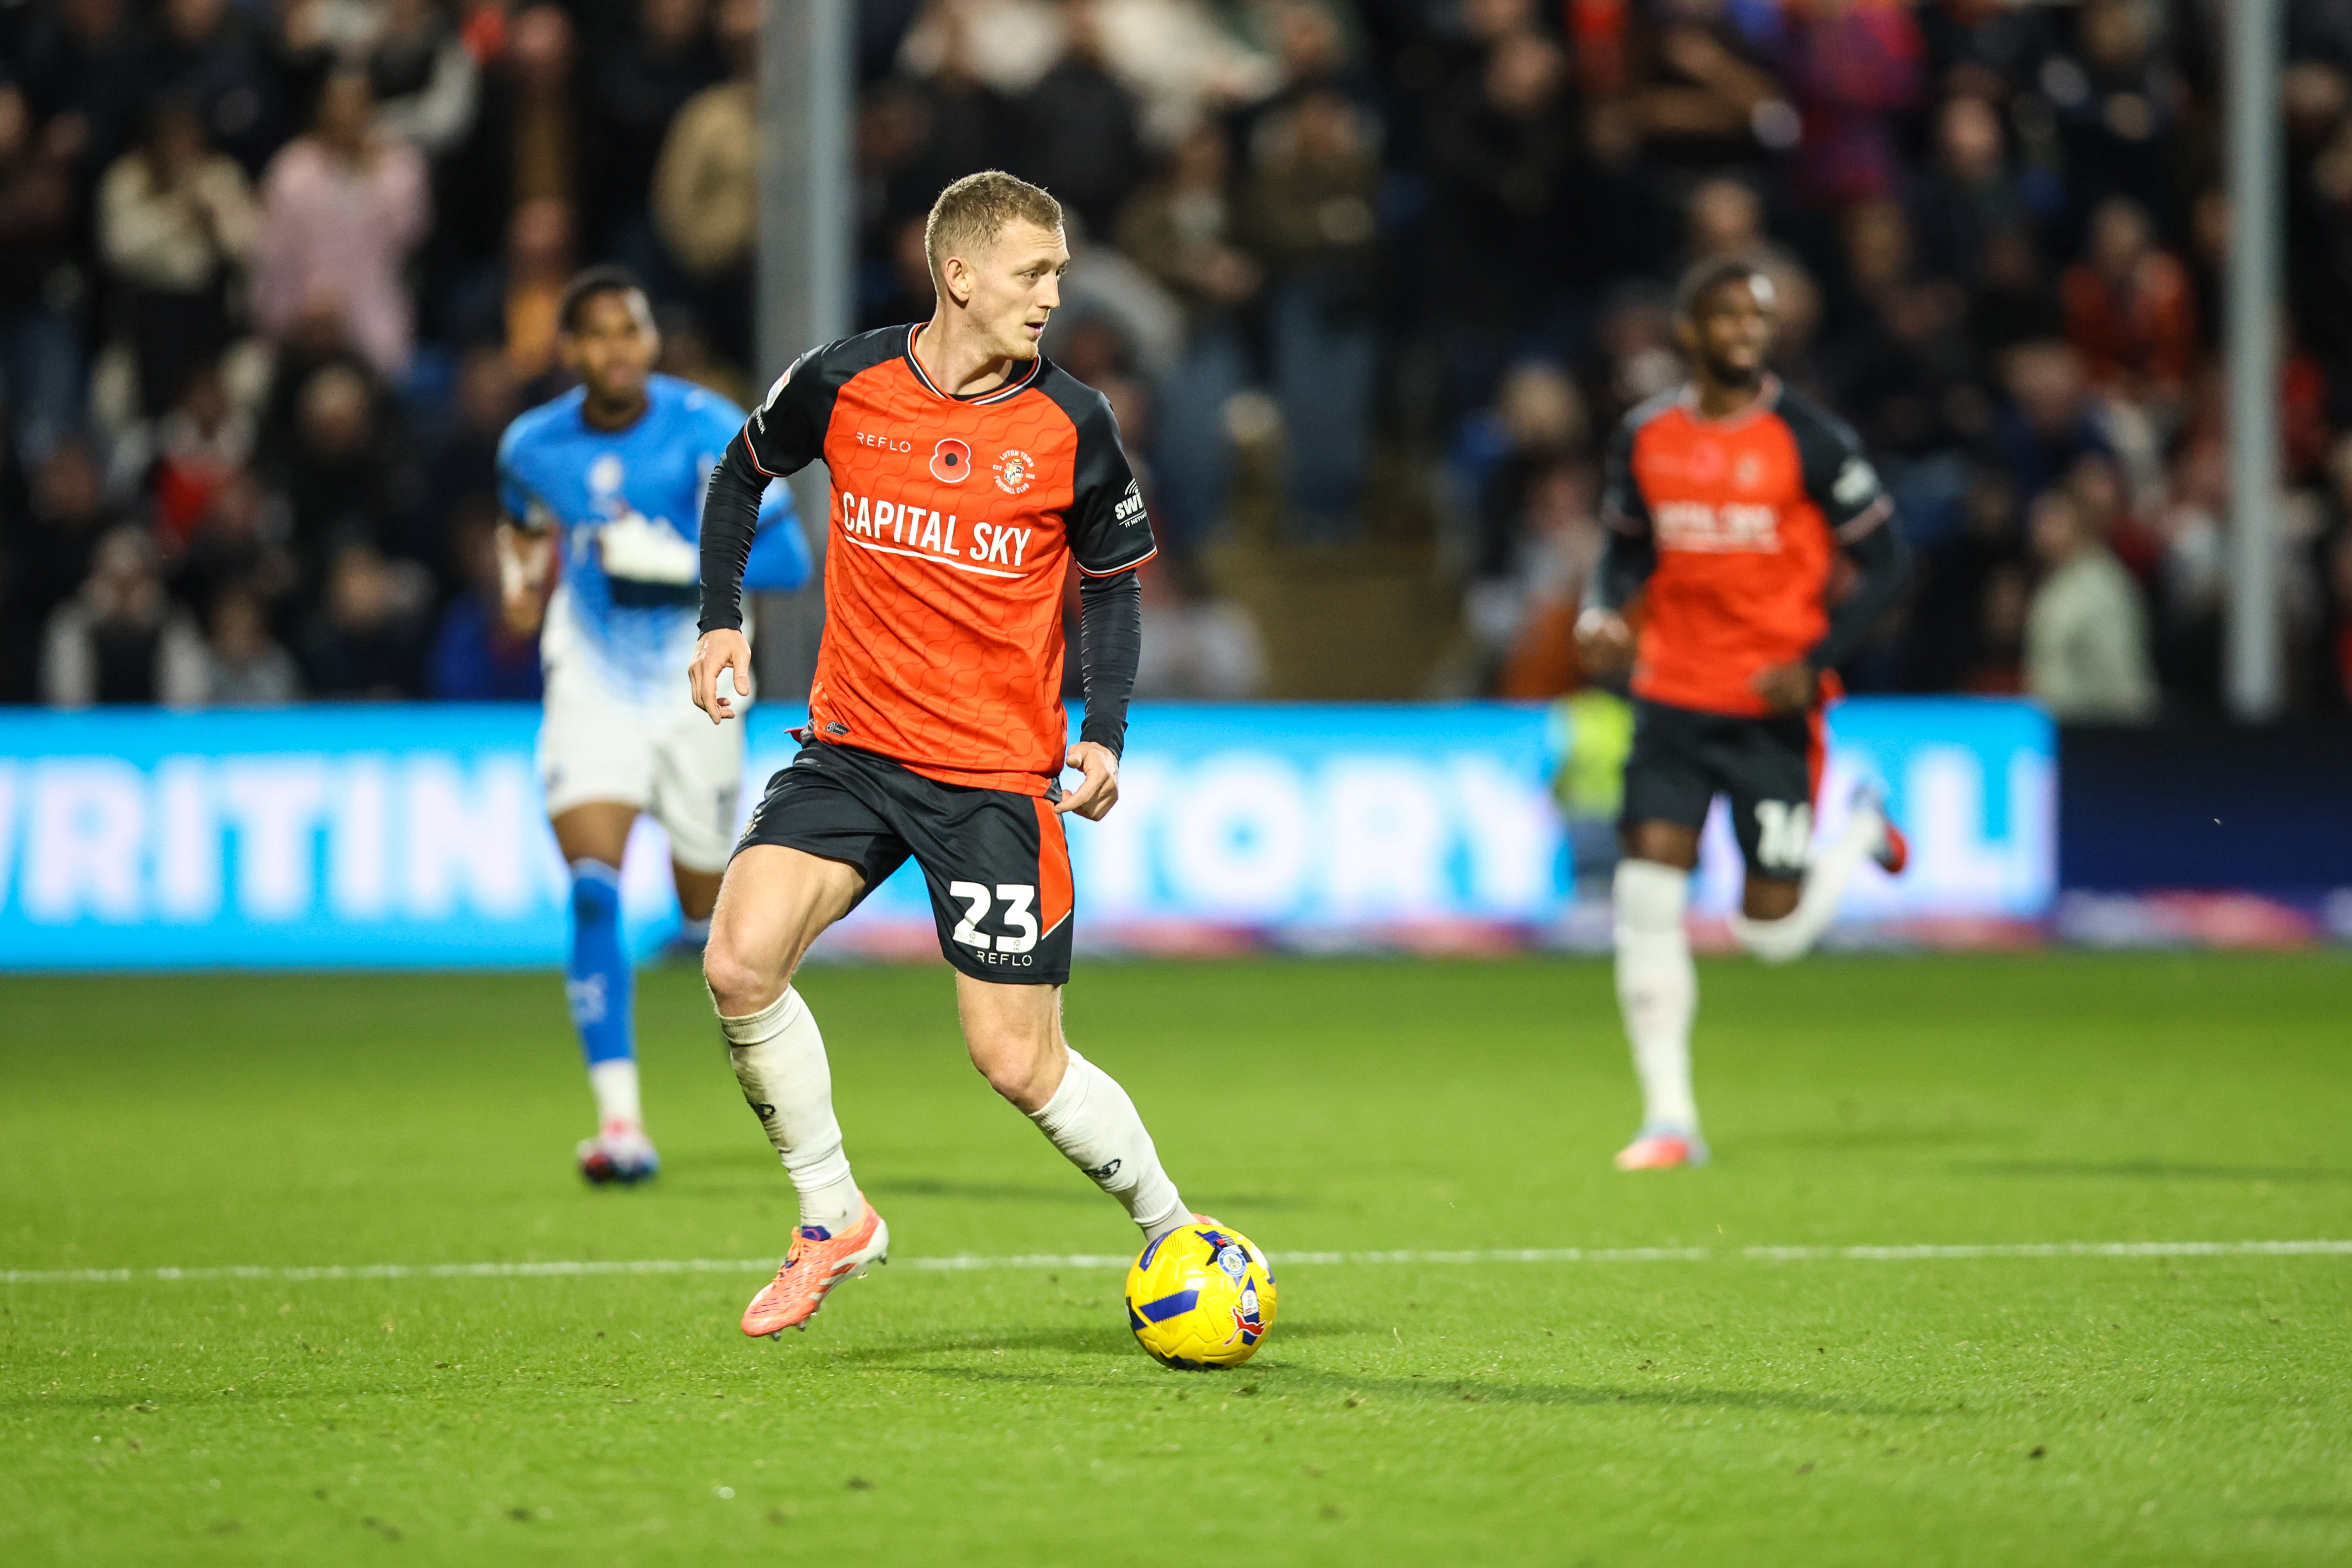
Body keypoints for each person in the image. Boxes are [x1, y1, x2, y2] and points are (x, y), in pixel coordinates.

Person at [688, 170, 1203, 1339]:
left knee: (1016, 1061)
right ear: (958, 274)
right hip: (853, 750)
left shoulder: (1073, 422)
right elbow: (740, 472)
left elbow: (1111, 586)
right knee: (737, 963)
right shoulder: (844, 380)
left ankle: (1178, 1227)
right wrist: (721, 615)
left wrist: (1105, 729)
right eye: (1036, 271)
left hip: (990, 781)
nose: (1054, 293)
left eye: (1059, 271)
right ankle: (832, 1214)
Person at [1576, 259, 1915, 1172]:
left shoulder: (1810, 438)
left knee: (1771, 935)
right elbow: (1620, 551)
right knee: (1646, 897)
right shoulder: (1645, 437)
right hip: (1672, 698)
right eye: (1725, 316)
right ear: (1687, 329)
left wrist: (1815, 664)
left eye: (1756, 317)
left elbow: (1886, 560)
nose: (1743, 331)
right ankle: (1669, 1120)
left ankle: (1854, 833)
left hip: (1768, 707)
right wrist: (1597, 615)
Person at [496, 264, 809, 1184]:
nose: (615, 350)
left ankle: (791, 1108)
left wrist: (677, 567)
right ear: (571, 350)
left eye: (628, 331)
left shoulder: (712, 429)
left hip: (697, 681)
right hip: (590, 677)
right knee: (593, 886)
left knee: (710, 923)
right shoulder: (531, 444)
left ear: (650, 340)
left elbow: (790, 560)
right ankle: (620, 1124)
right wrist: (520, 584)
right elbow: (519, 522)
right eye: (594, 335)